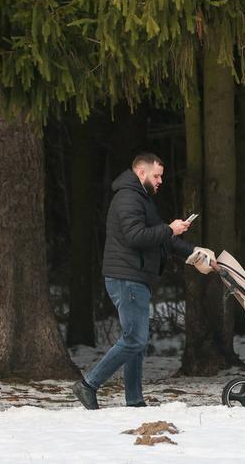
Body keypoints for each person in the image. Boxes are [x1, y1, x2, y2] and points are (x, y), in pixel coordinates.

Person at [72, 153, 216, 409]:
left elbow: (160, 237)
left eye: (161, 176)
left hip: (134, 277)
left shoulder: (141, 198)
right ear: (141, 173)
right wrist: (170, 228)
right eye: (156, 175)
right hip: (127, 277)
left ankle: (135, 399)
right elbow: (136, 237)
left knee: (135, 340)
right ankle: (88, 384)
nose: (160, 180)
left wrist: (195, 251)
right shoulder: (128, 198)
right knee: (135, 339)